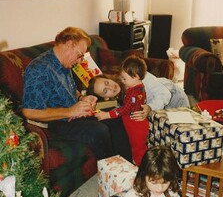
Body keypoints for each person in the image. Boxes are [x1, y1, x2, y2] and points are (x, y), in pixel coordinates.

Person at [21, 27, 132, 163]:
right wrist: (70, 111)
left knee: (115, 116)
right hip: (57, 121)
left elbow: (71, 90)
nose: (80, 61)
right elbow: (29, 111)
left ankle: (127, 168)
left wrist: (82, 98)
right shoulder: (38, 69)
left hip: (74, 113)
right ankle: (113, 175)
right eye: (80, 55)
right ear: (68, 45)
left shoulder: (65, 64)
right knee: (99, 130)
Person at [97, 146, 214, 197]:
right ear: (143, 175)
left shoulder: (173, 195)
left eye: (165, 182)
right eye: (154, 182)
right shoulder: (134, 196)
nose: (160, 188)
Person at [87, 58, 190, 120]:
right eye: (105, 91)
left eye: (107, 82)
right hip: (159, 108)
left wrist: (150, 107)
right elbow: (125, 109)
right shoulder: (120, 98)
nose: (110, 87)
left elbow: (164, 94)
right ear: (106, 98)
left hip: (174, 98)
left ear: (108, 78)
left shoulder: (132, 74)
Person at [94, 55, 149, 166]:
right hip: (134, 123)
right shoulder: (137, 86)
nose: (122, 81)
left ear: (136, 76)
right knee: (137, 147)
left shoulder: (133, 92)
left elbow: (123, 109)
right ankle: (139, 163)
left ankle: (142, 168)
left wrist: (107, 115)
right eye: (122, 78)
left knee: (137, 148)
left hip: (135, 125)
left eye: (124, 78)